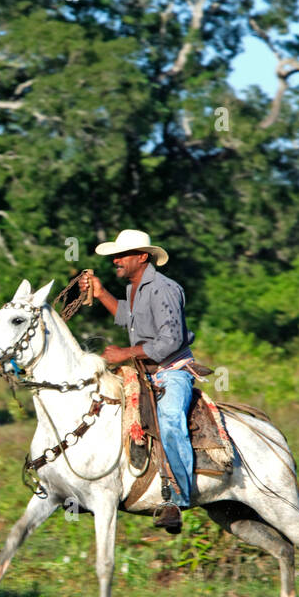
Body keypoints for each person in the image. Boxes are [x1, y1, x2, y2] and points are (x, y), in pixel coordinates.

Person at [79, 228, 196, 534]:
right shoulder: (135, 287)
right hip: (143, 369)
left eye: (122, 256)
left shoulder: (163, 288)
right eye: (115, 256)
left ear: (142, 257)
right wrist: (101, 293)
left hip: (171, 369)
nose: (116, 260)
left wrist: (123, 353)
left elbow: (171, 339)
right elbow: (129, 318)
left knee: (170, 418)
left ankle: (178, 498)